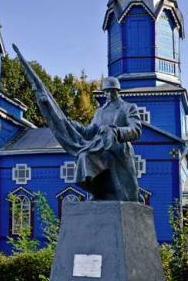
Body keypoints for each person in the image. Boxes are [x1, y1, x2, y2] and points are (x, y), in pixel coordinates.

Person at [13, 43, 142, 202]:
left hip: (118, 153)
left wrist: (116, 132)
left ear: (117, 91)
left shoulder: (127, 108)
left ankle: (110, 193)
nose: (109, 95)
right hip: (101, 149)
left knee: (126, 193)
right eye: (106, 91)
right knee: (84, 155)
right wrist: (69, 123)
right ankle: (99, 192)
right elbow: (89, 131)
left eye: (112, 91)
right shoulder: (100, 112)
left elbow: (136, 130)